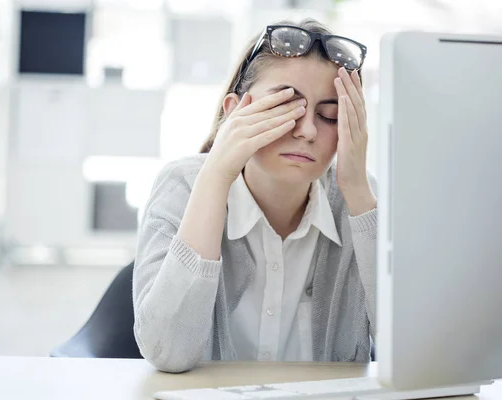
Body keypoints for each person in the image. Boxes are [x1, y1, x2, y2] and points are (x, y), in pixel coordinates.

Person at [132, 18, 377, 373]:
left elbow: (413, 352)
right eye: (285, 106)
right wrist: (216, 174)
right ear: (234, 111)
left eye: (329, 116)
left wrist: (358, 195)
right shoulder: (182, 185)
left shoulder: (362, 199)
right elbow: (168, 351)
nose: (307, 130)